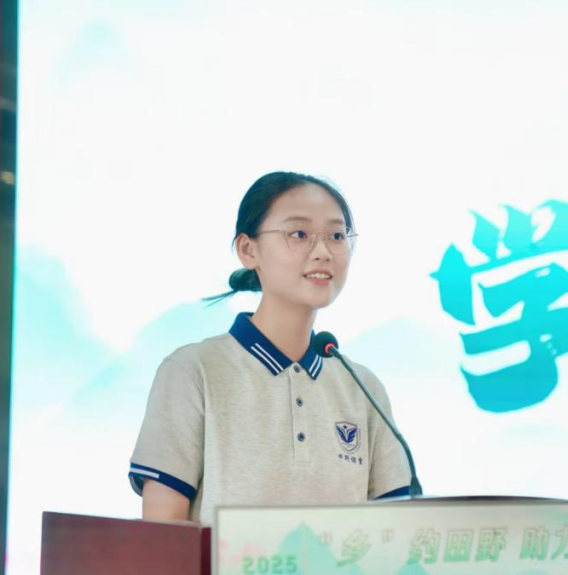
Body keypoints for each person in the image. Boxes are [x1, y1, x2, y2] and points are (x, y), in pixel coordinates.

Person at [128, 171, 412, 524]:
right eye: (299, 234)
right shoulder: (193, 371)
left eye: (337, 236)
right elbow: (162, 531)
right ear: (248, 250)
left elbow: (398, 533)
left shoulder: (364, 389)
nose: (323, 252)